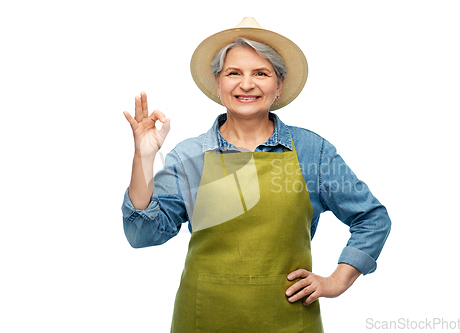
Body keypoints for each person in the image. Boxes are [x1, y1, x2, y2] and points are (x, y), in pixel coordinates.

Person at [122, 17, 391, 332]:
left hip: (290, 322)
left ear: (278, 85)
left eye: (261, 73)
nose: (246, 84)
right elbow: (142, 234)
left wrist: (337, 281)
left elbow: (372, 218)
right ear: (218, 83)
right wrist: (144, 158)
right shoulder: (191, 156)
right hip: (204, 319)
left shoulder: (311, 152)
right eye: (234, 73)